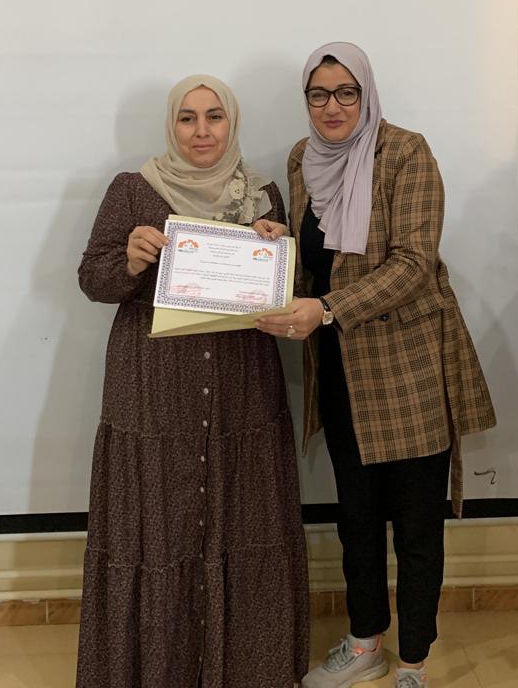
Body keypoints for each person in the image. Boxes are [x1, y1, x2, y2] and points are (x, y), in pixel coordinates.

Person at [256, 42, 495, 688]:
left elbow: (413, 264)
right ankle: (366, 642)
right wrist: (276, 248)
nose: (331, 107)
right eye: (318, 94)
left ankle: (412, 661)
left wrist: (328, 308)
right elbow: (315, 260)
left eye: (346, 93)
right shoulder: (302, 159)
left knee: (416, 525)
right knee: (356, 517)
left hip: (408, 367)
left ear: (366, 94)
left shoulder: (406, 153)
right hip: (339, 368)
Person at [76, 75, 309, 688]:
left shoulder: (263, 195)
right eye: (187, 118)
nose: (201, 131)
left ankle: (248, 669)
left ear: (232, 123)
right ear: (171, 125)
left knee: (244, 520)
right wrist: (129, 260)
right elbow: (93, 279)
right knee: (157, 525)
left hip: (241, 383)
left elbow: (285, 291)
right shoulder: (133, 190)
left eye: (214, 117)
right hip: (153, 385)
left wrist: (279, 252)